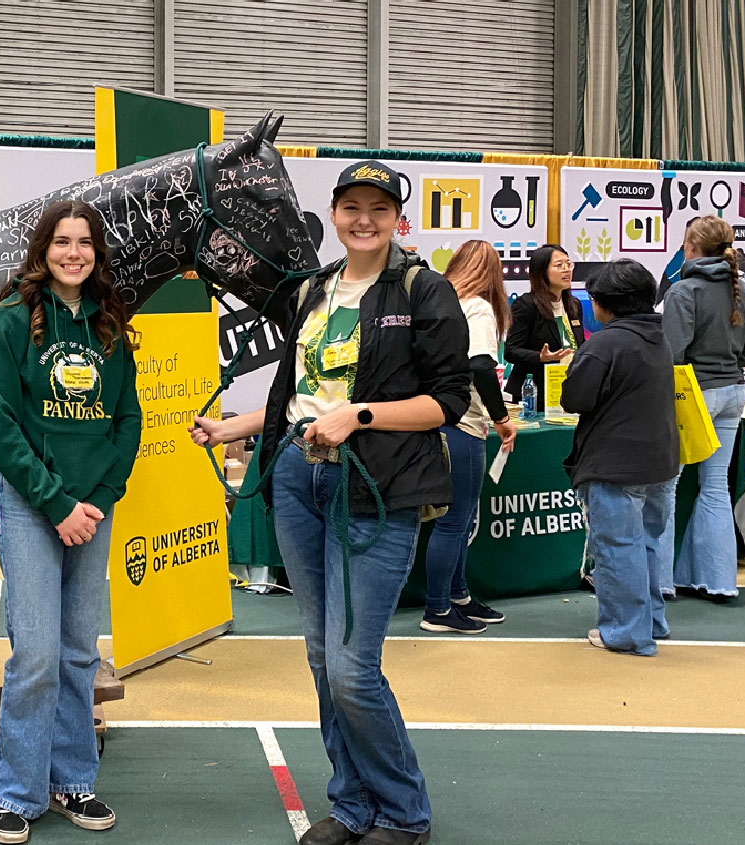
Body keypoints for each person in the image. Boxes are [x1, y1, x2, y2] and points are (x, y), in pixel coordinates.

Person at [192, 160, 470, 845]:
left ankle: (403, 810)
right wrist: (234, 427)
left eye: (378, 207)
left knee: (352, 666)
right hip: (297, 478)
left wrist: (361, 416)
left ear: (396, 218)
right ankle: (352, 803)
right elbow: (299, 393)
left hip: (376, 487)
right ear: (336, 212)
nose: (364, 219)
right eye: (352, 206)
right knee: (321, 658)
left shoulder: (422, 289)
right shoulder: (314, 289)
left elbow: (447, 402)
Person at [0, 200, 142, 844]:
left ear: (96, 254)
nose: (73, 254)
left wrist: (96, 496)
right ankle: (15, 791)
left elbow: (128, 422)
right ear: (42, 250)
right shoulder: (10, 324)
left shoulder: (108, 327)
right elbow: (2, 427)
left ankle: (73, 779)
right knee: (39, 652)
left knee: (79, 650)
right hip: (30, 503)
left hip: (92, 508)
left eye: (84, 244)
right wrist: (57, 503)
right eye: (61, 242)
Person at [560, 259, 677, 656]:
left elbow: (574, 398)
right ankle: (650, 621)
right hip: (659, 458)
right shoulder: (659, 337)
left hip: (614, 462)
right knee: (645, 544)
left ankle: (625, 631)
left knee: (616, 548)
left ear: (604, 303)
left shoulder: (605, 343)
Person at [661, 217, 745, 601]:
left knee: (666, 488)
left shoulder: (683, 290)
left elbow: (672, 354)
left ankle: (659, 583)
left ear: (690, 247)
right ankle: (719, 580)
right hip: (732, 392)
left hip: (693, 395)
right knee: (715, 487)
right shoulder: (743, 290)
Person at [418, 240, 516, 634]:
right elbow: (480, 365)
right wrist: (501, 416)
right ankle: (438, 610)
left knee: (456, 519)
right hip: (462, 422)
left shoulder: (436, 303)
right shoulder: (478, 307)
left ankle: (457, 596)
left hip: (434, 416)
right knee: (454, 521)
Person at [504, 244, 584, 408]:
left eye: (568, 264)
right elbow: (511, 351)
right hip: (534, 392)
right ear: (541, 271)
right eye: (558, 265)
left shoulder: (574, 305)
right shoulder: (525, 305)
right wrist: (540, 357)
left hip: (568, 389)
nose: (566, 270)